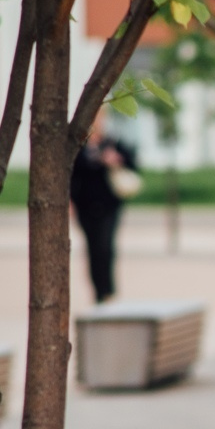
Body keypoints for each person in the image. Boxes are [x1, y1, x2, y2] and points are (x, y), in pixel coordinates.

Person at [69, 123, 140, 303]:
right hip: (85, 207)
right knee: (92, 248)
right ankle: (98, 291)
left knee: (105, 246)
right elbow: (72, 176)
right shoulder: (79, 148)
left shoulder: (113, 144)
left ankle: (108, 289)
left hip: (109, 207)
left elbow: (133, 164)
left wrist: (115, 160)